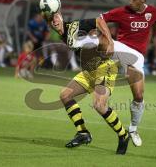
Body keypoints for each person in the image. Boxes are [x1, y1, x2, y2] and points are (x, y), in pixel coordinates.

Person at [100, 0, 156, 146]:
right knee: (100, 41)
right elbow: (101, 18)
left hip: (137, 56)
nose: (130, 2)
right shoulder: (122, 11)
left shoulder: (152, 12)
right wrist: (109, 40)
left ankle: (133, 129)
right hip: (121, 48)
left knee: (138, 96)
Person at [43, 12, 130, 154]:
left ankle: (123, 135)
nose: (54, 21)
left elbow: (99, 20)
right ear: (48, 24)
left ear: (61, 16)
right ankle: (83, 133)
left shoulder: (74, 26)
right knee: (65, 95)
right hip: (89, 70)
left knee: (99, 105)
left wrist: (110, 41)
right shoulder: (64, 35)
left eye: (56, 17)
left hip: (104, 66)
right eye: (51, 20)